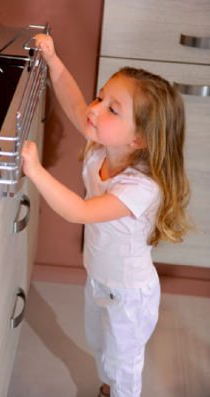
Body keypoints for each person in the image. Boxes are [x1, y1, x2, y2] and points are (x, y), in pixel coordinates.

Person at [21, 34, 193, 397]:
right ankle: (107, 387)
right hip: (99, 277)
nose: (95, 109)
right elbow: (73, 104)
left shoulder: (141, 188)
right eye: (101, 97)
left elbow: (81, 211)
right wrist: (54, 59)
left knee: (124, 361)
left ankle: (120, 392)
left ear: (139, 140)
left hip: (129, 294)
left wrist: (36, 171)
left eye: (112, 109)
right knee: (99, 342)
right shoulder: (102, 147)